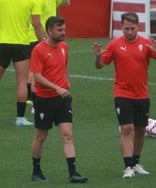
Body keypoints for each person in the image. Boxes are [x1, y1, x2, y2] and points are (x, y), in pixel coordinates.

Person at [91, 12, 156, 178]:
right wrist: (98, 57)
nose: (129, 32)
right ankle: (127, 167)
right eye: (126, 28)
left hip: (142, 94)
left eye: (132, 28)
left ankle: (136, 163)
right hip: (122, 93)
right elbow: (100, 65)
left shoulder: (147, 44)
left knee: (140, 130)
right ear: (122, 27)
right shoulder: (114, 45)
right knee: (127, 129)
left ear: (138, 27)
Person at [30, 16, 87, 183]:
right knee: (41, 135)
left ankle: (73, 173)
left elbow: (65, 65)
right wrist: (56, 87)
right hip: (44, 99)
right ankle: (36, 171)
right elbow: (37, 76)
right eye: (59, 30)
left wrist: (66, 81)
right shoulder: (39, 50)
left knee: (68, 134)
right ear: (49, 31)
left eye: (64, 29)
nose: (63, 33)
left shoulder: (64, 46)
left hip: (62, 99)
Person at [0, 0, 45, 126]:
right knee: (22, 82)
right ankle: (20, 119)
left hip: (2, 43)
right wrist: (44, 43)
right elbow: (36, 23)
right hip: (21, 44)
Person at [27, 0, 71, 114]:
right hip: (37, 36)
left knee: (47, 67)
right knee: (35, 71)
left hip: (50, 36)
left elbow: (66, 3)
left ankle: (34, 100)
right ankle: (35, 101)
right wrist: (44, 40)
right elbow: (36, 22)